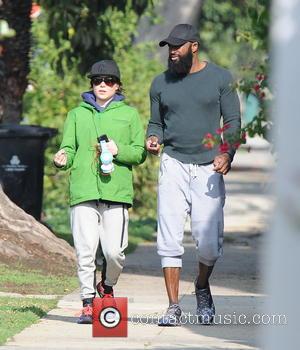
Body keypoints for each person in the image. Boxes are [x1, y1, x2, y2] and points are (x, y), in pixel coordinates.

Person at [146, 24, 241, 326]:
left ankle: (201, 285)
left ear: (194, 46)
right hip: (173, 163)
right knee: (169, 239)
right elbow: (155, 123)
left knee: (209, 243)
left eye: (178, 46)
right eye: (169, 47)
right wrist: (152, 137)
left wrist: (227, 153)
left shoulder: (221, 79)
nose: (172, 52)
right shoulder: (160, 83)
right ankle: (173, 305)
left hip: (208, 167)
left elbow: (234, 121)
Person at [53, 59, 146, 324]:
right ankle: (86, 302)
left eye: (109, 81)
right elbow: (69, 148)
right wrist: (62, 158)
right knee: (85, 251)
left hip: (116, 193)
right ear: (91, 84)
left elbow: (139, 153)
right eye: (97, 81)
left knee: (115, 253)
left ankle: (107, 284)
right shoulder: (76, 114)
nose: (102, 85)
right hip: (83, 191)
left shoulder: (129, 114)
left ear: (118, 85)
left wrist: (120, 151)